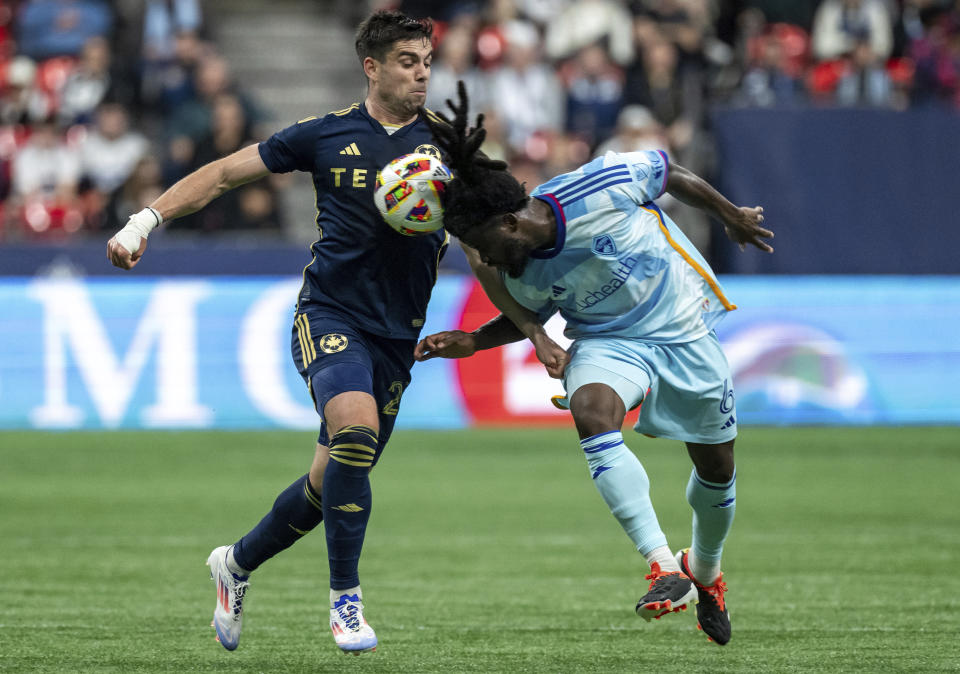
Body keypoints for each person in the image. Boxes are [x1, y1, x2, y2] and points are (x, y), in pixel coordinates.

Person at [106, 10, 455, 655]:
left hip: (397, 337)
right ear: (372, 67)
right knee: (354, 432)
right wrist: (143, 222)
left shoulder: (450, 146)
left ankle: (234, 564)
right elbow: (222, 174)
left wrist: (525, 333)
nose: (422, 74)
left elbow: (489, 247)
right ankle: (345, 603)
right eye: (408, 61)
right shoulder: (324, 136)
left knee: (331, 483)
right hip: (328, 313)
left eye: (427, 61)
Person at [414, 84, 773, 646]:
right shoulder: (518, 270)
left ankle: (705, 570)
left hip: (684, 331)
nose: (482, 260)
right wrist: (475, 340)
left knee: (718, 471)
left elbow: (670, 172)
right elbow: (526, 317)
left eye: (481, 245)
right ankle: (663, 566)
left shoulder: (599, 185)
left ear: (509, 224)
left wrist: (730, 216)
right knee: (591, 410)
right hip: (610, 342)